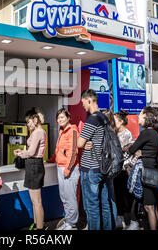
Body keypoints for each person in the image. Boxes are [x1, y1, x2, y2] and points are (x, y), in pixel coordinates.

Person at [77, 89, 116, 230]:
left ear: (89, 100)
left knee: (92, 206)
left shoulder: (92, 119)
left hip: (91, 168)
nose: (82, 105)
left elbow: (79, 143)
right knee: (105, 204)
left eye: (83, 102)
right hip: (104, 167)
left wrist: (82, 140)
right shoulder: (104, 118)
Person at [128, 106, 158, 230]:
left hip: (146, 172)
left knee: (149, 207)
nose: (138, 117)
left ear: (147, 117)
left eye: (141, 114)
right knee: (153, 205)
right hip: (153, 171)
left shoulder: (146, 132)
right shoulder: (155, 133)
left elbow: (132, 149)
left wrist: (129, 147)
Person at [47, 108, 81, 230]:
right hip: (60, 167)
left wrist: (68, 169)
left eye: (62, 117)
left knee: (70, 197)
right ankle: (69, 221)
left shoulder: (72, 131)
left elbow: (73, 152)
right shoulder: (62, 130)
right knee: (64, 197)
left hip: (70, 169)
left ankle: (72, 224)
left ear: (68, 118)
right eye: (58, 118)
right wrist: (51, 159)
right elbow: (58, 150)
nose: (60, 120)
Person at [14, 107, 47, 230]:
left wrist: (20, 153)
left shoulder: (38, 132)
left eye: (28, 122)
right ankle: (36, 224)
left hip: (34, 165)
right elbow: (31, 151)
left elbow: (32, 152)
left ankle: (40, 228)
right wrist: (23, 152)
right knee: (34, 201)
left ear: (35, 120)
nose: (27, 125)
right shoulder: (38, 131)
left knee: (37, 201)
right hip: (33, 165)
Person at [113, 109, 133, 229]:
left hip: (124, 170)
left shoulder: (127, 134)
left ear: (120, 122)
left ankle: (130, 219)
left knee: (126, 195)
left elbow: (127, 153)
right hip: (115, 170)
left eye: (114, 120)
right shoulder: (114, 133)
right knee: (118, 195)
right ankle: (119, 219)